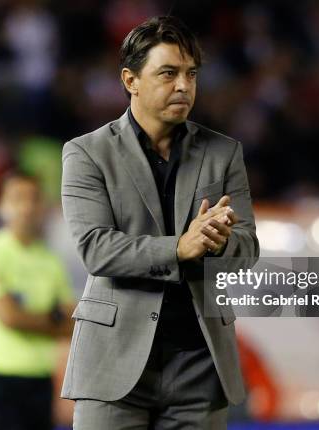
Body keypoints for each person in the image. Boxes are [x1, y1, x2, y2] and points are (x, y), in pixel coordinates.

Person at [60, 16, 260, 429]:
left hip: (200, 367)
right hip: (113, 367)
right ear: (130, 80)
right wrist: (178, 248)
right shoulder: (86, 153)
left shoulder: (223, 152)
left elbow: (248, 247)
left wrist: (220, 243)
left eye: (191, 74)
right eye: (168, 73)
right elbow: (96, 249)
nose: (184, 86)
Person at [0, 171, 76, 430]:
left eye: (34, 198)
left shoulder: (51, 260)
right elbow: (10, 317)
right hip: (0, 377)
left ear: (44, 205)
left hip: (41, 377)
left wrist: (31, 317)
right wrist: (52, 318)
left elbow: (72, 320)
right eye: (17, 198)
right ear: (1, 205)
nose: (27, 206)